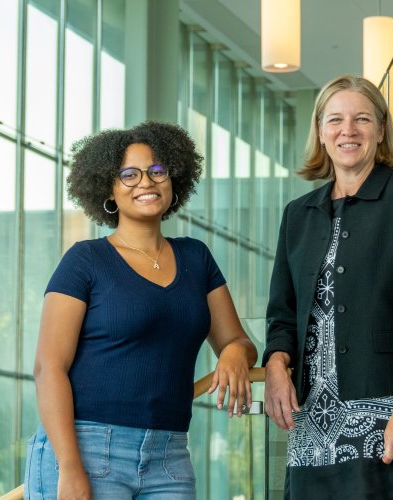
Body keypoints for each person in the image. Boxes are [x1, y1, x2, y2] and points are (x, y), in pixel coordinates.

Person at [24, 121, 258, 500]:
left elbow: (238, 341)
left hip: (169, 454)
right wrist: (69, 467)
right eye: (129, 174)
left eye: (157, 171)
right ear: (108, 190)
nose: (146, 182)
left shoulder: (196, 258)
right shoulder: (85, 260)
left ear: (173, 181)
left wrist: (234, 352)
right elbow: (48, 367)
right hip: (86, 447)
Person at [262, 75, 393, 499]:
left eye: (362, 119)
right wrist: (275, 365)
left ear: (381, 131)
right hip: (312, 415)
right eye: (336, 120)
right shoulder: (298, 214)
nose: (349, 130)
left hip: (384, 406)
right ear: (321, 132)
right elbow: (282, 311)